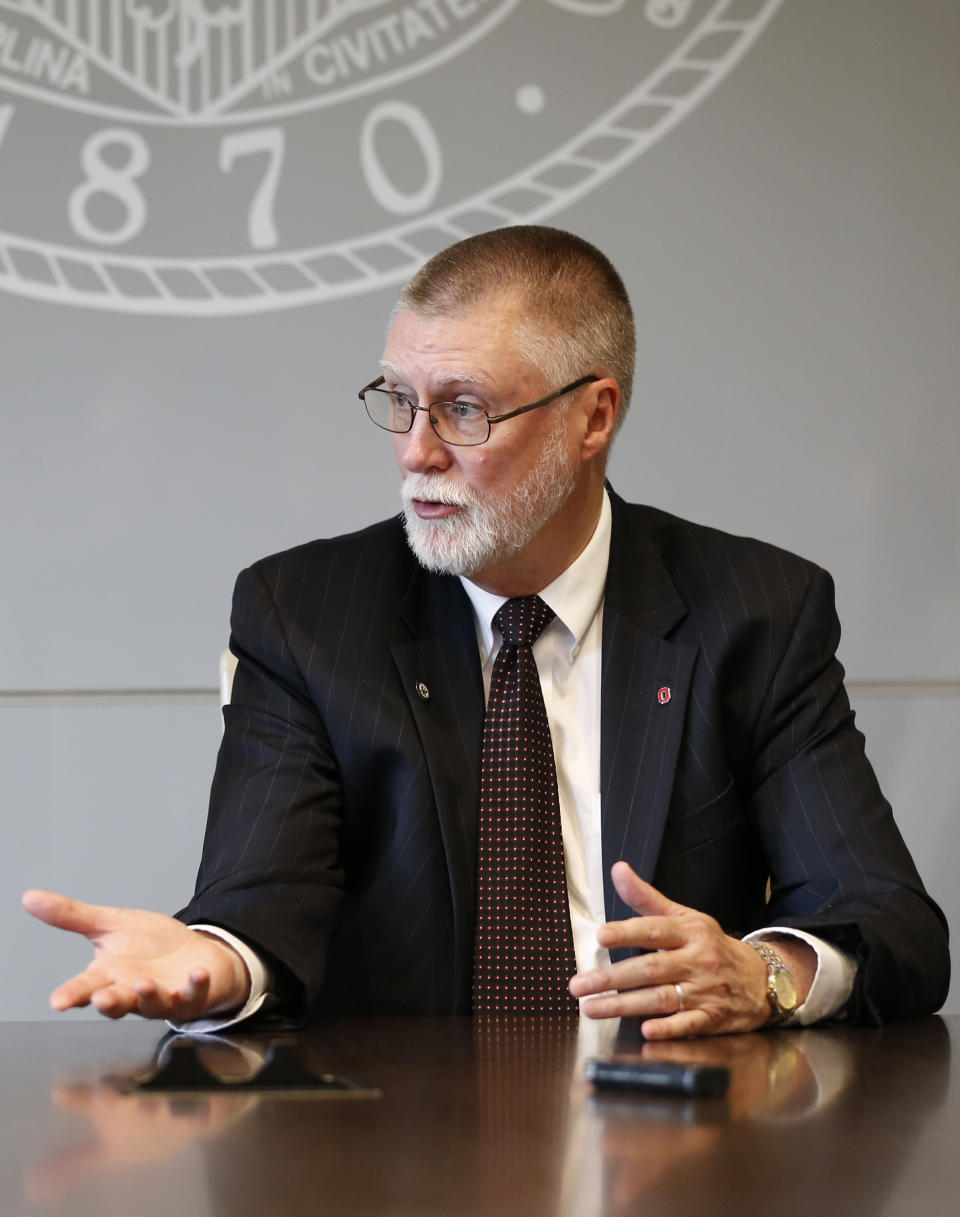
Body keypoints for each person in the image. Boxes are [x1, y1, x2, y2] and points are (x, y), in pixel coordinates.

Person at [23, 226, 949, 1039]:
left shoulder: (755, 611)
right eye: (399, 398)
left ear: (593, 416)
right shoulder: (306, 611)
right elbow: (262, 899)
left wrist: (766, 976)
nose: (417, 449)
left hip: (674, 1139)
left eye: (464, 407)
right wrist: (216, 964)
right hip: (390, 1148)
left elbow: (887, 923)